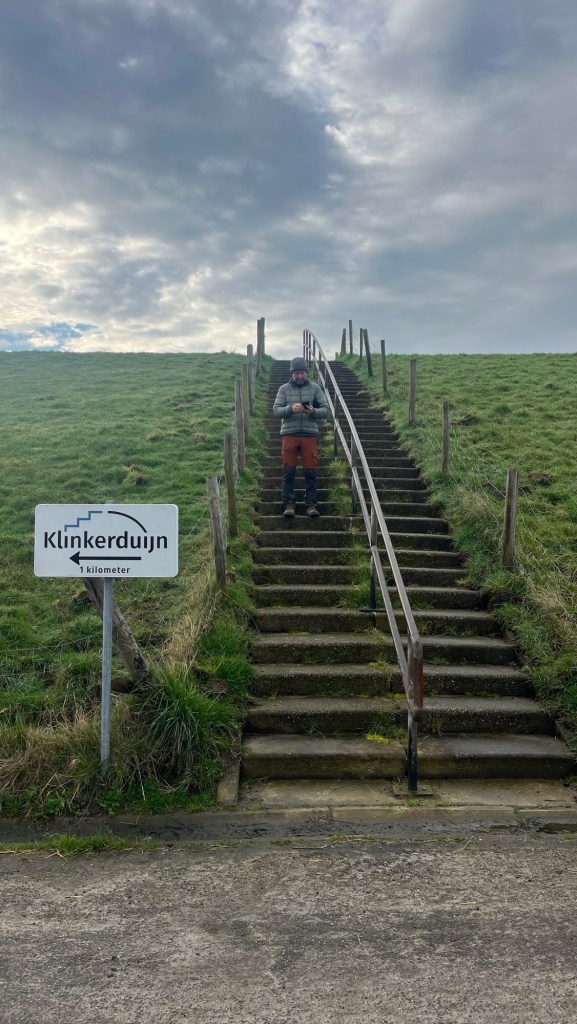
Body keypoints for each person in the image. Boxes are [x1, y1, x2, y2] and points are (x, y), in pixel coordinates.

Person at [272, 356, 330, 518]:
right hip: (289, 434)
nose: (300, 376)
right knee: (288, 471)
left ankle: (311, 505)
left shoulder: (315, 388)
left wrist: (313, 412)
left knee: (310, 472)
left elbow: (326, 410)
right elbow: (276, 410)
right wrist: (290, 409)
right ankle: (288, 504)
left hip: (310, 435)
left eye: (302, 373)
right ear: (292, 373)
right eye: (296, 373)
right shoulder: (283, 389)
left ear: (306, 372)